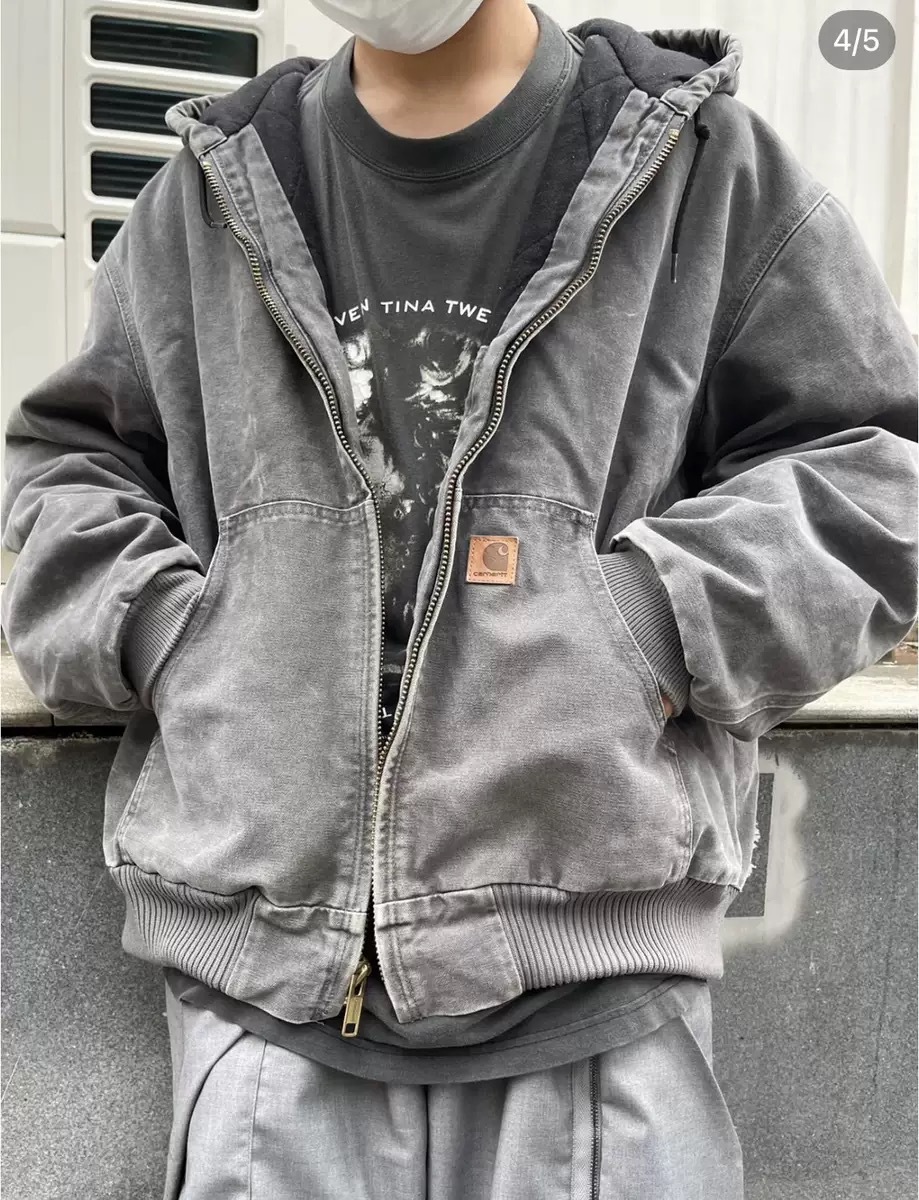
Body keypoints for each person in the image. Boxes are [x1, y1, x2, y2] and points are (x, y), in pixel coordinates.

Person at [1, 0, 916, 1195]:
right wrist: (171, 633)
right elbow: (69, 463)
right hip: (265, 1003)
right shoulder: (209, 191)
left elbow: (873, 471)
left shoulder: (704, 170)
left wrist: (645, 621)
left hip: (596, 1007)